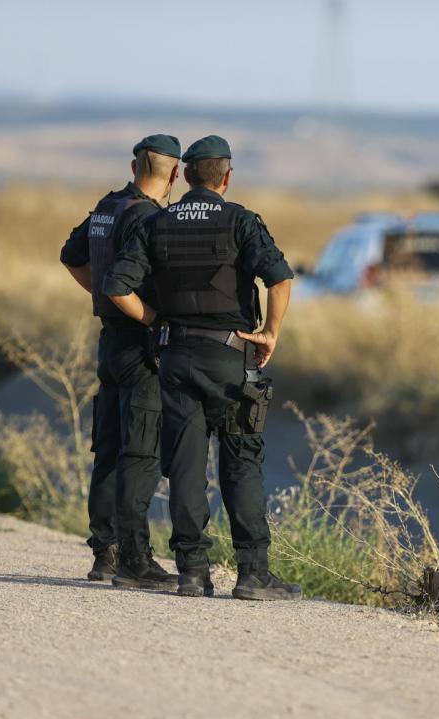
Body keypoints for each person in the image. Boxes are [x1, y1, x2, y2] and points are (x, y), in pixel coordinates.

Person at [103, 135, 302, 600]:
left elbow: (117, 286)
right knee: (241, 464)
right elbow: (281, 279)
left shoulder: (157, 221)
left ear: (186, 175)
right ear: (227, 178)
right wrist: (270, 332)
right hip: (232, 357)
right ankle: (253, 573)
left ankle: (193, 570)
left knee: (187, 465)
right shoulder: (241, 221)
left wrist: (156, 322)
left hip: (174, 358)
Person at [59, 134, 181, 589]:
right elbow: (118, 285)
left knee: (107, 449)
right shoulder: (150, 219)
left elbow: (70, 258)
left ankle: (104, 554)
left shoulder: (108, 208)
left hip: (109, 343)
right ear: (173, 174)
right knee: (140, 451)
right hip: (139, 345)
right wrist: (149, 316)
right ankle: (135, 558)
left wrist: (104, 296)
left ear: (134, 168)